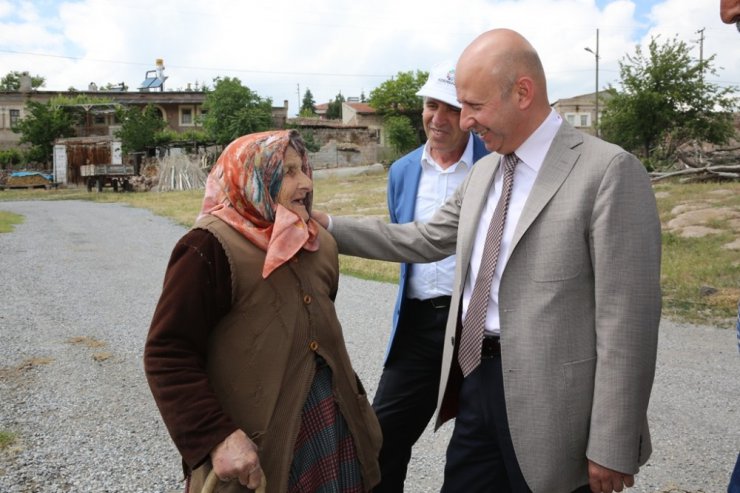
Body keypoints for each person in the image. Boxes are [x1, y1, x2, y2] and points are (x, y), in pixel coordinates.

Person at [313, 29, 661, 493]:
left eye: (473, 106)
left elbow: (628, 322)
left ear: (523, 92)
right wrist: (327, 224)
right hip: (476, 380)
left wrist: (612, 442)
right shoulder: (485, 171)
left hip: (556, 409)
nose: (466, 122)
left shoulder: (607, 171)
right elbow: (423, 238)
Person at [144, 130, 382, 493]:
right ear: (252, 178)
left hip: (331, 428)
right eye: (287, 172)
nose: (304, 182)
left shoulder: (319, 243)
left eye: (304, 168)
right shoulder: (207, 248)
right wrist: (218, 437)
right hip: (257, 451)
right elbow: (167, 354)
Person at [372, 61, 489, 492]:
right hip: (419, 325)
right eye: (430, 105)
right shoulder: (402, 171)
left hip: (479, 328)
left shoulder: (493, 165)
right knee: (379, 440)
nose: (438, 119)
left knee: (477, 450)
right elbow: (405, 244)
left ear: (470, 114)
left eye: (452, 108)